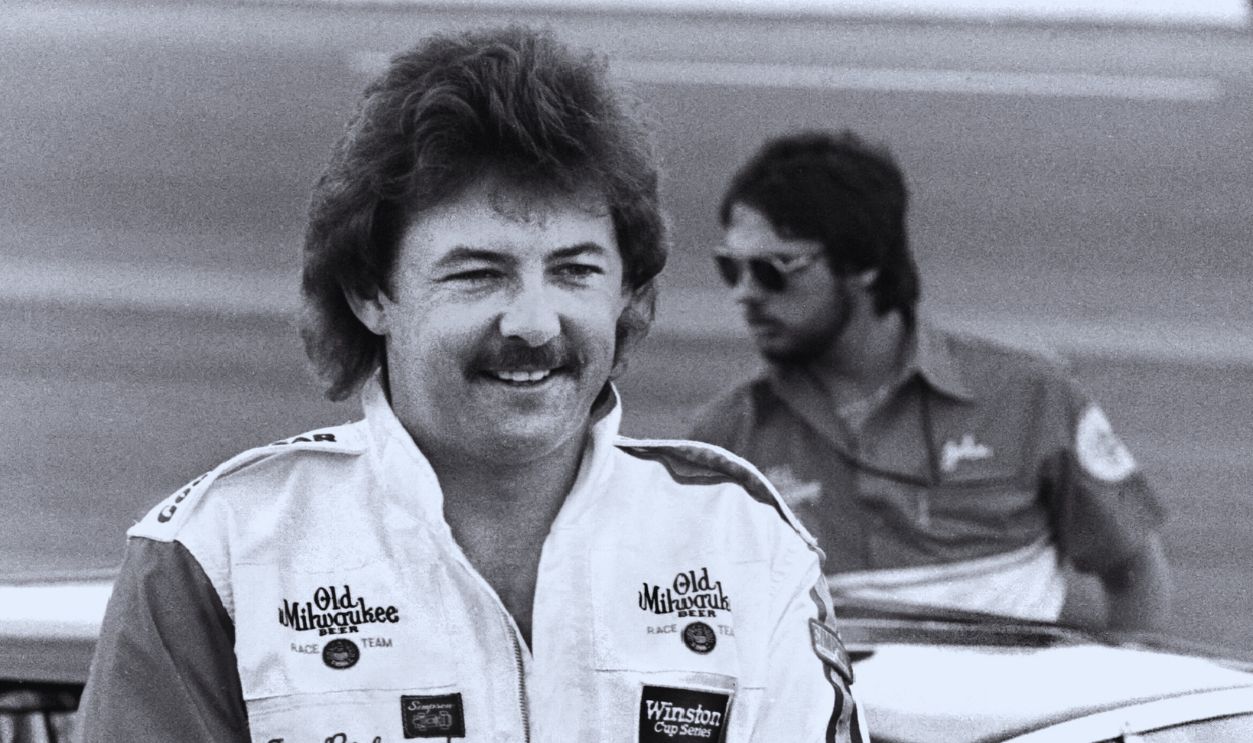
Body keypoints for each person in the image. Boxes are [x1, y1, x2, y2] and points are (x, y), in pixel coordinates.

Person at [77, 28, 867, 742]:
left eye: (574, 271)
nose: (534, 321)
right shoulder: (213, 553)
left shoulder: (742, 540)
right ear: (370, 293)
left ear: (629, 294)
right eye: (478, 273)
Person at [688, 130, 1171, 631]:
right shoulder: (724, 439)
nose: (744, 294)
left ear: (865, 263)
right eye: (730, 268)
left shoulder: (1030, 397)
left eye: (771, 270)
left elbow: (1133, 573)